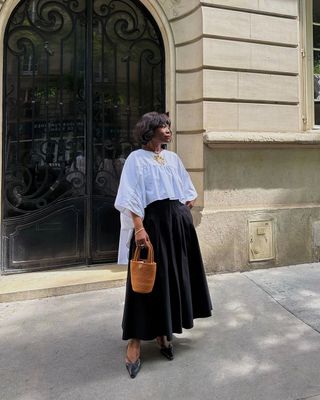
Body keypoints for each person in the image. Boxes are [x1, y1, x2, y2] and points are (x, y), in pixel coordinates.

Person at [114, 112, 212, 379]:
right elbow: (131, 195)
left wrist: (183, 208)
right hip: (152, 225)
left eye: (169, 125)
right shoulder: (136, 159)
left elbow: (188, 190)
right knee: (144, 283)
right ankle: (134, 342)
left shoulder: (172, 158)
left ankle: (163, 332)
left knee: (172, 279)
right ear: (150, 130)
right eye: (163, 126)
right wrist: (139, 228)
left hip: (177, 225)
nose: (168, 130)